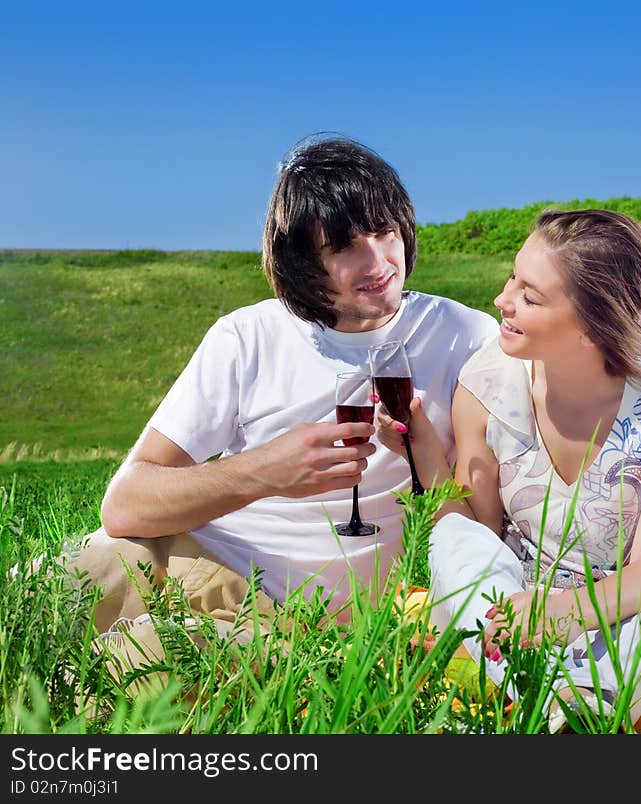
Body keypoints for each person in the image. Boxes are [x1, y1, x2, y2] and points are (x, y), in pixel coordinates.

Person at [68, 135, 499, 666]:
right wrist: (265, 472)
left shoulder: (465, 337)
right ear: (301, 262)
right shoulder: (246, 336)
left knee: (137, 662)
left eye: (384, 232)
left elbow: (485, 525)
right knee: (51, 592)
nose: (379, 262)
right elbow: (125, 504)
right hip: (186, 554)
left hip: (293, 619)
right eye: (343, 248)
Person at [376, 208, 641, 730]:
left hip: (626, 621)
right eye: (512, 279)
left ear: (594, 327)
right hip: (514, 617)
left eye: (530, 296)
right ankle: (553, 692)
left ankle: (573, 703)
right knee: (453, 538)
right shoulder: (487, 383)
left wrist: (561, 612)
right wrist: (422, 445)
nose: (502, 300)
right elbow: (480, 530)